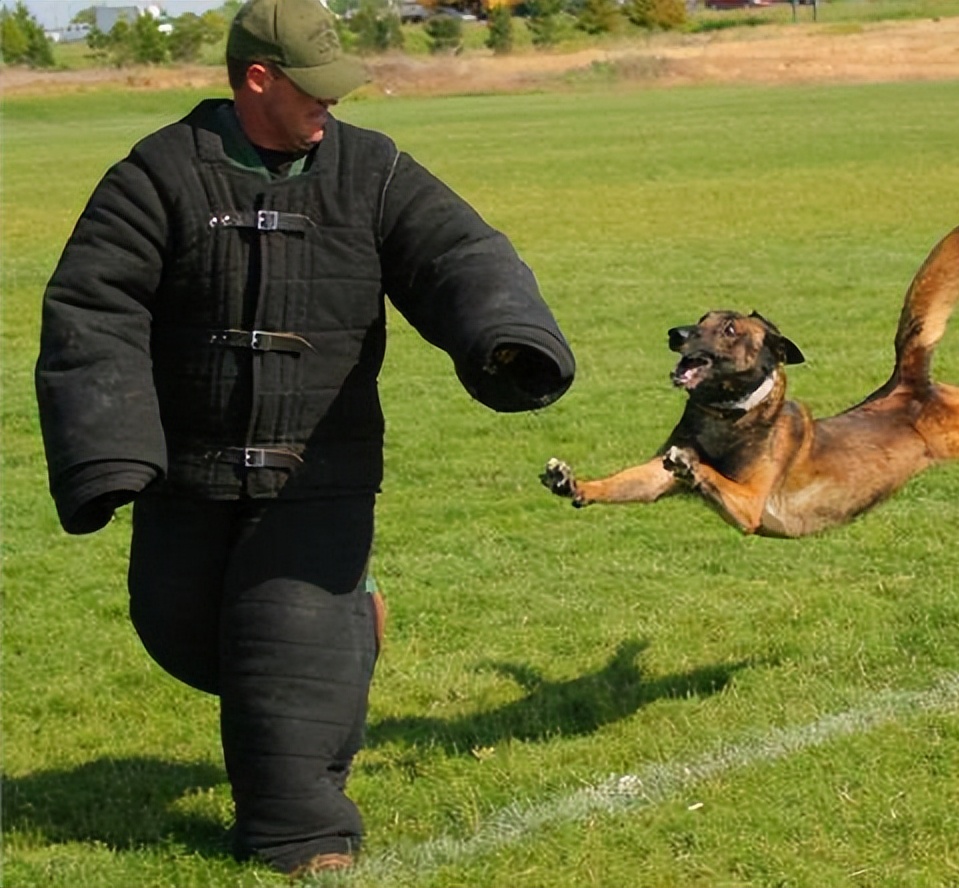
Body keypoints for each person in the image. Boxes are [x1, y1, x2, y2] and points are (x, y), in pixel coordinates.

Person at [33, 0, 575, 876]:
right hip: (190, 471)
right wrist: (108, 451)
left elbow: (460, 255)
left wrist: (504, 336)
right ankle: (350, 630)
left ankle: (302, 833)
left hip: (321, 470)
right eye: (312, 90)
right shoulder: (157, 175)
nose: (330, 105)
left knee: (281, 651)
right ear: (258, 80)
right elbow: (93, 308)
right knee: (181, 629)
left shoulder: (374, 170)